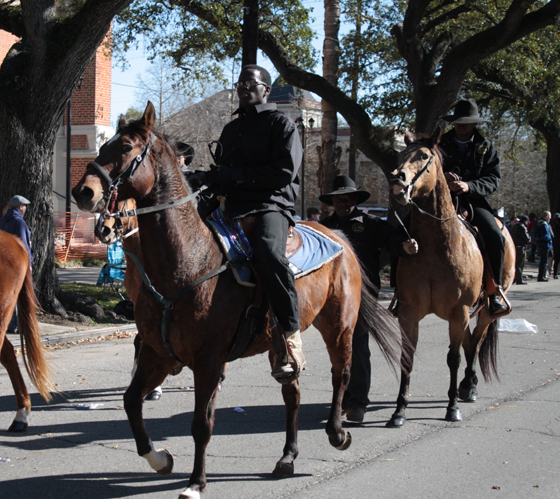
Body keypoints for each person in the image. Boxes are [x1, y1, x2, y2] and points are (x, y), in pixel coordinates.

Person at [207, 64, 304, 381]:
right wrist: (202, 181)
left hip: (270, 205)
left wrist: (232, 177)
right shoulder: (231, 130)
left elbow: (283, 174)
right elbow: (222, 174)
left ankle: (290, 338)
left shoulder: (282, 124)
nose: (243, 87)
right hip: (232, 207)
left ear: (266, 89)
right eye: (240, 83)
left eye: (251, 82)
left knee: (268, 254)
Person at [319, 175, 418, 423]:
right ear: (332, 201)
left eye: (348, 198)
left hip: (361, 296)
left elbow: (392, 239)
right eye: (338, 199)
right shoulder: (325, 226)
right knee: (337, 348)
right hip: (331, 297)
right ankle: (341, 397)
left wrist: (404, 247)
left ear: (355, 199)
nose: (343, 203)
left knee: (358, 348)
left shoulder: (371, 223)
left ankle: (358, 403)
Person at [439, 98, 509, 316]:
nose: (460, 124)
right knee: (407, 224)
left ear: (474, 124)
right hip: (442, 201)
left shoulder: (487, 148)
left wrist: (469, 186)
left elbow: (493, 180)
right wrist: (443, 177)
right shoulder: (440, 144)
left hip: (474, 201)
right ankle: (400, 293)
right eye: (457, 121)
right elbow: (427, 171)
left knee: (495, 235)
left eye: (466, 121)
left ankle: (493, 292)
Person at [0, 195, 32, 333]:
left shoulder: (2, 221)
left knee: (9, 294)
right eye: (25, 207)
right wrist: (28, 263)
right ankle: (20, 324)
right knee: (21, 294)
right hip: (17, 264)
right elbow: (23, 245)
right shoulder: (19, 223)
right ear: (20, 207)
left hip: (3, 262)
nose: (25, 210)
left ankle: (9, 323)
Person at [509, 216, 530, 285]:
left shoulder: (514, 227)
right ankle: (519, 279)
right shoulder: (522, 227)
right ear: (525, 221)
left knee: (515, 263)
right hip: (520, 247)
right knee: (520, 264)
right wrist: (530, 239)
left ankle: (513, 279)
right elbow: (527, 238)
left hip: (514, 246)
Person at [534, 211, 553, 282]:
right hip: (545, 245)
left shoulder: (541, 223)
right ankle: (542, 276)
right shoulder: (544, 224)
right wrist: (550, 239)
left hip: (544, 244)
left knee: (544, 261)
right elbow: (545, 235)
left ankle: (543, 275)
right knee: (544, 261)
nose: (550, 218)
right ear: (547, 216)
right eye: (550, 216)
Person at [552, 214, 560, 279]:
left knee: (556, 260)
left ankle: (555, 273)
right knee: (556, 260)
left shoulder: (552, 226)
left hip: (555, 244)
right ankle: (555, 273)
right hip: (556, 244)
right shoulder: (554, 226)